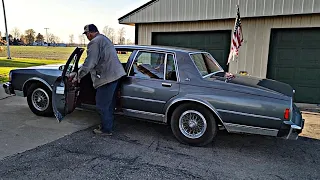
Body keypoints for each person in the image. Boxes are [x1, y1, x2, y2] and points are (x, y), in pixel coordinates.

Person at [75, 24, 126, 135]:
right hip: (116, 75)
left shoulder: (94, 42)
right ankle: (107, 125)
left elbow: (90, 63)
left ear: (89, 33)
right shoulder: (104, 39)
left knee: (102, 105)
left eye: (86, 34)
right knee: (109, 104)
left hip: (106, 77)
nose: (87, 36)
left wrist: (78, 76)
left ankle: (106, 130)